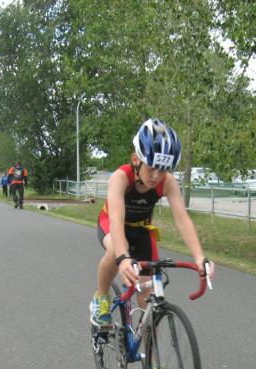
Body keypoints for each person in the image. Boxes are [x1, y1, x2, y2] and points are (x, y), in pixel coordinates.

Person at [89, 117, 214, 326]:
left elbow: (182, 219)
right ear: (136, 159)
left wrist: (200, 257)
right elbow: (116, 220)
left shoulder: (168, 182)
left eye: (163, 169)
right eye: (152, 167)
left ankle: (150, 346)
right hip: (112, 224)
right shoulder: (120, 178)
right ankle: (101, 296)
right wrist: (123, 258)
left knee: (149, 300)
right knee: (115, 250)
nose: (156, 176)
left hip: (142, 230)